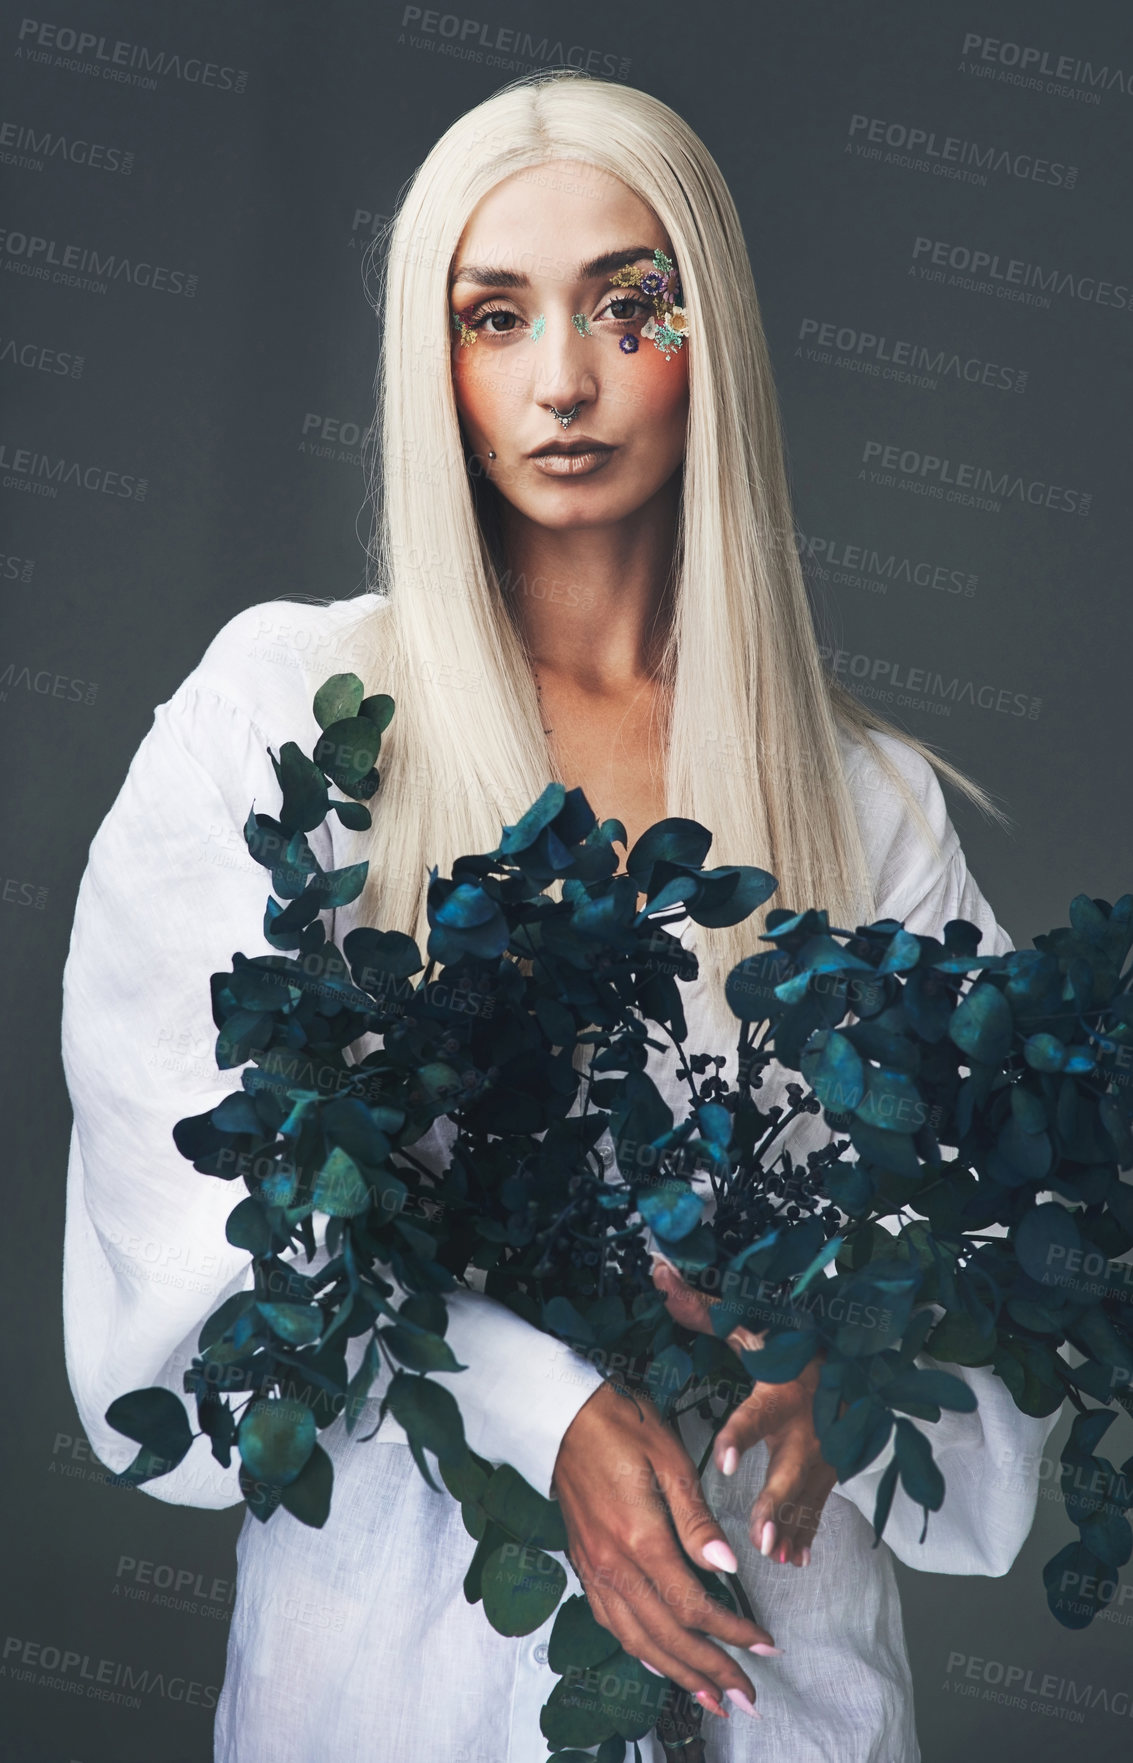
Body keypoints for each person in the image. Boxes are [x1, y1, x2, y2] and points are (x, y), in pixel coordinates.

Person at [60, 70, 1062, 1761]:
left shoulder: (864, 800)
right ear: (431, 359)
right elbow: (192, 1254)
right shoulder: (288, 721)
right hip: (387, 1691)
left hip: (785, 1691)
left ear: (710, 335)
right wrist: (550, 1411)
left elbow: (986, 1244)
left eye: (628, 304)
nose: (563, 380)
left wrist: (839, 1342)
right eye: (495, 315)